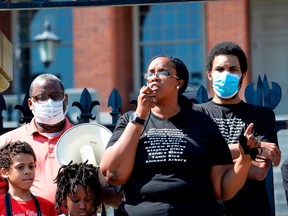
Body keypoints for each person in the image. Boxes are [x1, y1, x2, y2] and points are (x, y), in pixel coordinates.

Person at [99, 55, 259, 216]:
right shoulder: (129, 121)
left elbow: (223, 191)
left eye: (163, 73)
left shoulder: (203, 124)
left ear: (179, 83)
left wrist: (244, 160)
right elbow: (113, 175)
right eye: (150, 73)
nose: (154, 77)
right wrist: (140, 116)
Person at [193, 41, 281, 216]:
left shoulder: (261, 115)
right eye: (220, 69)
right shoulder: (196, 113)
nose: (226, 75)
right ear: (209, 75)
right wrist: (246, 150)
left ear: (242, 75)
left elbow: (258, 172)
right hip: (207, 209)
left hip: (252, 210)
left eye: (233, 69)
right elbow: (195, 159)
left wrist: (212, 159)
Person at [0, 73, 73, 204]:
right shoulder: (7, 142)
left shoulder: (84, 137)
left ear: (65, 99)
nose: (50, 103)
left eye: (56, 96)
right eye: (42, 98)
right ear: (30, 103)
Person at [0, 140, 58, 215]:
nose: (28, 171)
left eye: (31, 166)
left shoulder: (47, 206)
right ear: (4, 173)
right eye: (20, 167)